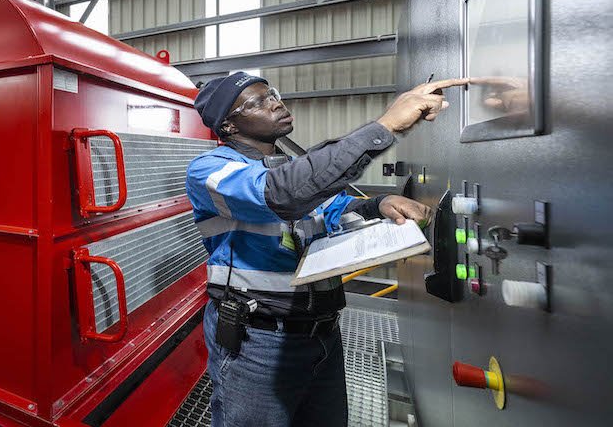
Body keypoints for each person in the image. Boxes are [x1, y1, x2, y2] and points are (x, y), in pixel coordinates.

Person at [185, 72, 468, 427]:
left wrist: (376, 206)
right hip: (258, 342)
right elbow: (282, 194)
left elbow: (328, 208)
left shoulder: (289, 168)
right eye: (258, 101)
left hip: (322, 335)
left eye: (272, 93)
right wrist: (386, 126)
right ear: (228, 125)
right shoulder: (210, 171)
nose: (275, 101)